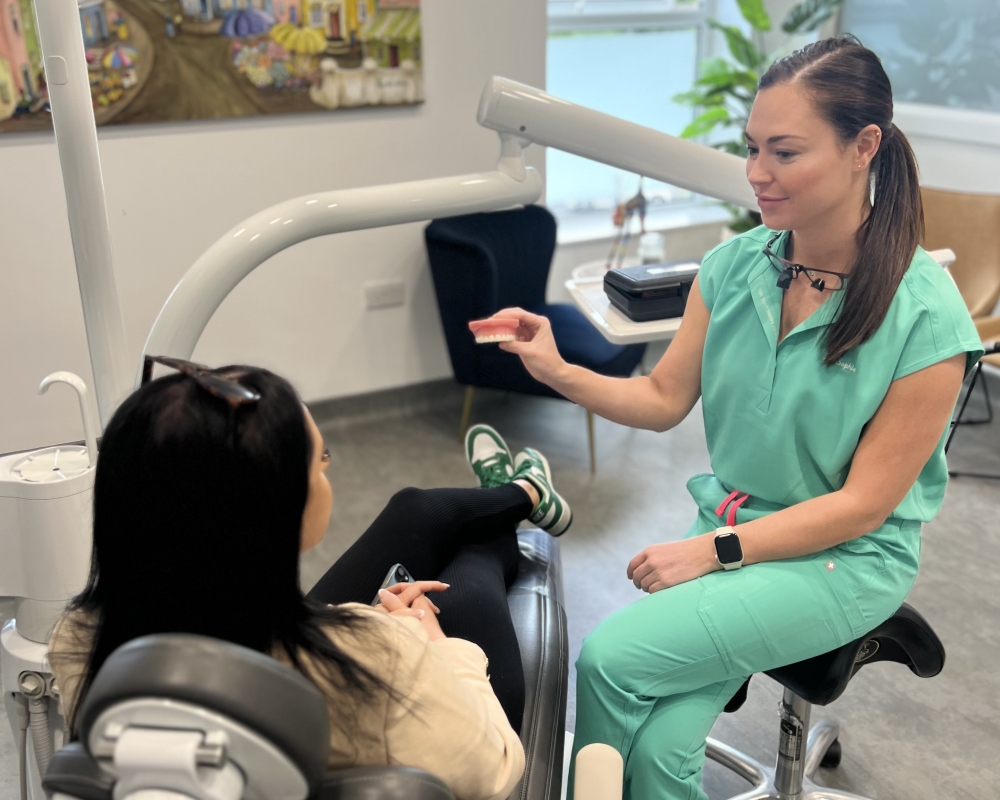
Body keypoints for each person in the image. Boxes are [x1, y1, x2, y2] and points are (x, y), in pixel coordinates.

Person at [484, 36, 984, 800]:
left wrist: (715, 551)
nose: (757, 174)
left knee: (609, 660)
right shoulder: (734, 266)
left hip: (844, 558)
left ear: (865, 147)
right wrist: (558, 370)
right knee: (655, 755)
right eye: (752, 148)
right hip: (733, 524)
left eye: (784, 152)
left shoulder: (925, 316)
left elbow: (862, 507)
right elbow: (660, 400)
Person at [47, 357, 572, 800]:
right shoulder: (382, 656)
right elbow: (497, 770)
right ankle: (515, 501)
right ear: (276, 512)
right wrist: (431, 643)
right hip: (430, 710)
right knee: (471, 574)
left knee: (415, 509)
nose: (326, 473)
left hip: (284, 652)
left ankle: (521, 493)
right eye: (320, 462)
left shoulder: (79, 638)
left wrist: (365, 624)